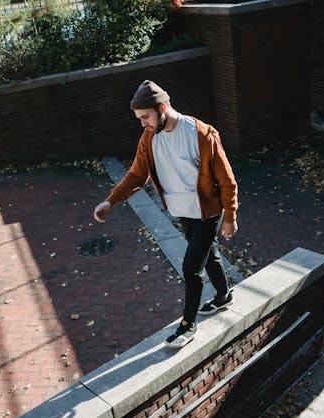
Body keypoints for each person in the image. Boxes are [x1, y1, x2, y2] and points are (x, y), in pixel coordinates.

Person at [93, 80, 239, 348]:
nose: (142, 123)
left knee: (191, 266)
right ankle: (223, 296)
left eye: (145, 117)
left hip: (207, 212)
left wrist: (230, 216)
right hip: (183, 213)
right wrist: (110, 201)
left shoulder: (201, 134)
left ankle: (187, 326)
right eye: (139, 119)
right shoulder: (149, 139)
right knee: (210, 255)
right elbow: (137, 175)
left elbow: (227, 180)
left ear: (162, 108)